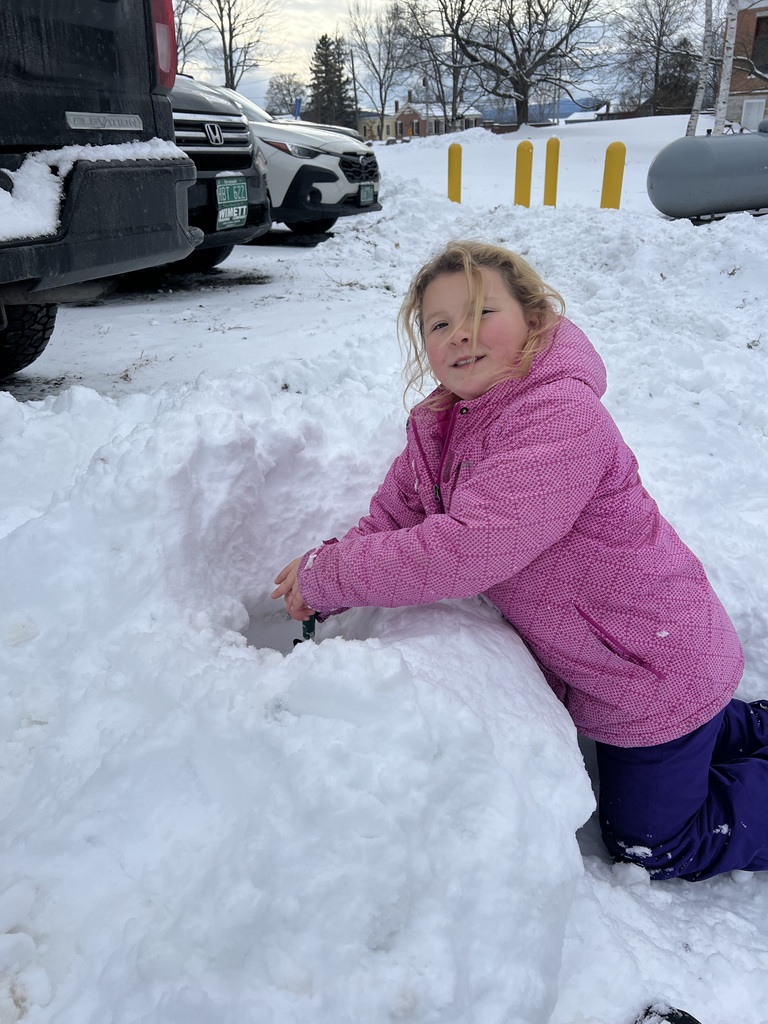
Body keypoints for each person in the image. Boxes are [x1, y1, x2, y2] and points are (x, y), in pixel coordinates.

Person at [271, 240, 768, 881]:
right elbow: (399, 514)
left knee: (656, 843)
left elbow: (472, 548)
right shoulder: (447, 422)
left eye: (482, 313)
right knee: (711, 735)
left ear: (534, 319)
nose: (460, 335)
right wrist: (330, 566)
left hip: (651, 666)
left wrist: (335, 577)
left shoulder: (557, 415)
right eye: (439, 324)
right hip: (617, 661)